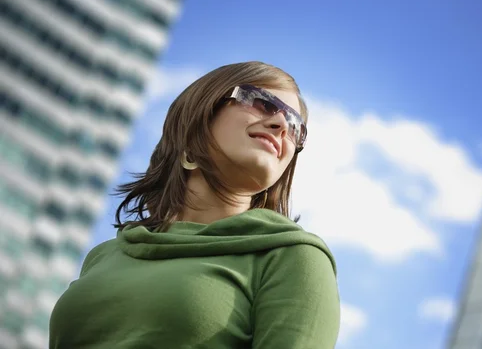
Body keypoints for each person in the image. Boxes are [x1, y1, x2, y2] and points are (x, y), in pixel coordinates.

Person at [48, 62, 340, 348]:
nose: (280, 127)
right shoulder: (106, 254)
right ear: (202, 112)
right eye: (262, 102)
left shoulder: (292, 257)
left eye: (294, 126)